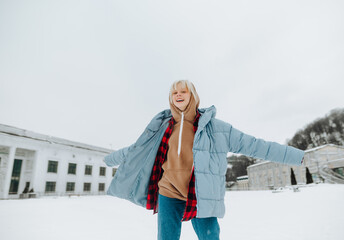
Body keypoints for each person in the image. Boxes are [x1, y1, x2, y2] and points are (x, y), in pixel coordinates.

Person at [103, 80, 305, 240]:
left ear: (193, 96)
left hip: (201, 193)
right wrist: (109, 160)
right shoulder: (163, 127)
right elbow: (136, 149)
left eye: (184, 91)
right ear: (171, 98)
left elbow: (255, 145)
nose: (179, 95)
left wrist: (297, 156)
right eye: (175, 92)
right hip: (168, 192)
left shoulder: (216, 128)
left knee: (210, 237)